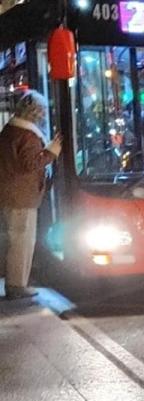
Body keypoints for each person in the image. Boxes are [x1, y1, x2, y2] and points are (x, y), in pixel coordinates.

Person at [0, 90, 62, 299]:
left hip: (12, 194)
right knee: (22, 241)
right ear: (34, 112)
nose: (44, 114)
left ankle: (15, 283)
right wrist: (51, 152)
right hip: (22, 196)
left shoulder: (11, 130)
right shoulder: (26, 135)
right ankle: (17, 285)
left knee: (16, 238)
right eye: (42, 111)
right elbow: (30, 164)